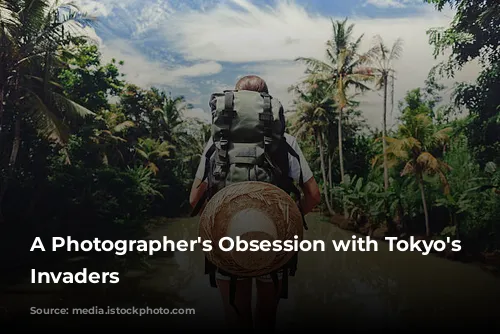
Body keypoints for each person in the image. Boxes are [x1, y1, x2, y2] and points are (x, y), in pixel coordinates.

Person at [189, 75, 321, 331]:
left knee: (235, 316)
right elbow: (314, 196)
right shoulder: (285, 142)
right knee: (266, 317)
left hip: (226, 242)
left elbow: (194, 200)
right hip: (273, 242)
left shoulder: (216, 145)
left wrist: (219, 222)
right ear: (266, 105)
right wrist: (289, 221)